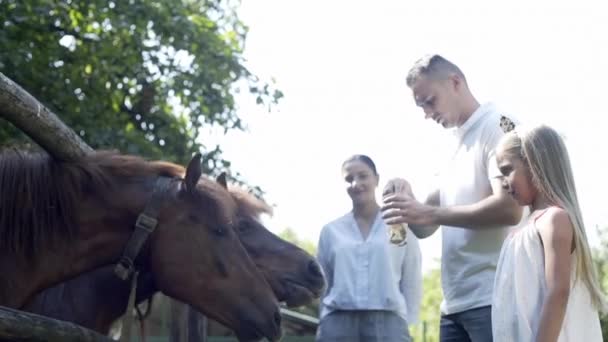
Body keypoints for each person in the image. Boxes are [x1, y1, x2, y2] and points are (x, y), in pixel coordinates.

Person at [381, 54, 523, 342]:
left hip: (496, 296)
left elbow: (510, 210)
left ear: (455, 82)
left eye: (429, 101)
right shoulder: (450, 145)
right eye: (420, 106)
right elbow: (424, 228)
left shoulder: (499, 126)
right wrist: (407, 203)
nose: (426, 113)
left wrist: (430, 214)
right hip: (455, 305)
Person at [492, 124, 605, 341]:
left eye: (507, 170)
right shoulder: (523, 230)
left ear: (534, 163)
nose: (504, 183)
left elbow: (558, 293)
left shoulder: (554, 220)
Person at [316, 154, 422, 342]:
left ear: (376, 179)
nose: (356, 184)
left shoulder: (398, 224)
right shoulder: (331, 231)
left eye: (363, 176)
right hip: (337, 324)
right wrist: (323, 317)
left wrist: (407, 320)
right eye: (349, 179)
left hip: (388, 324)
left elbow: (411, 275)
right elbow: (324, 282)